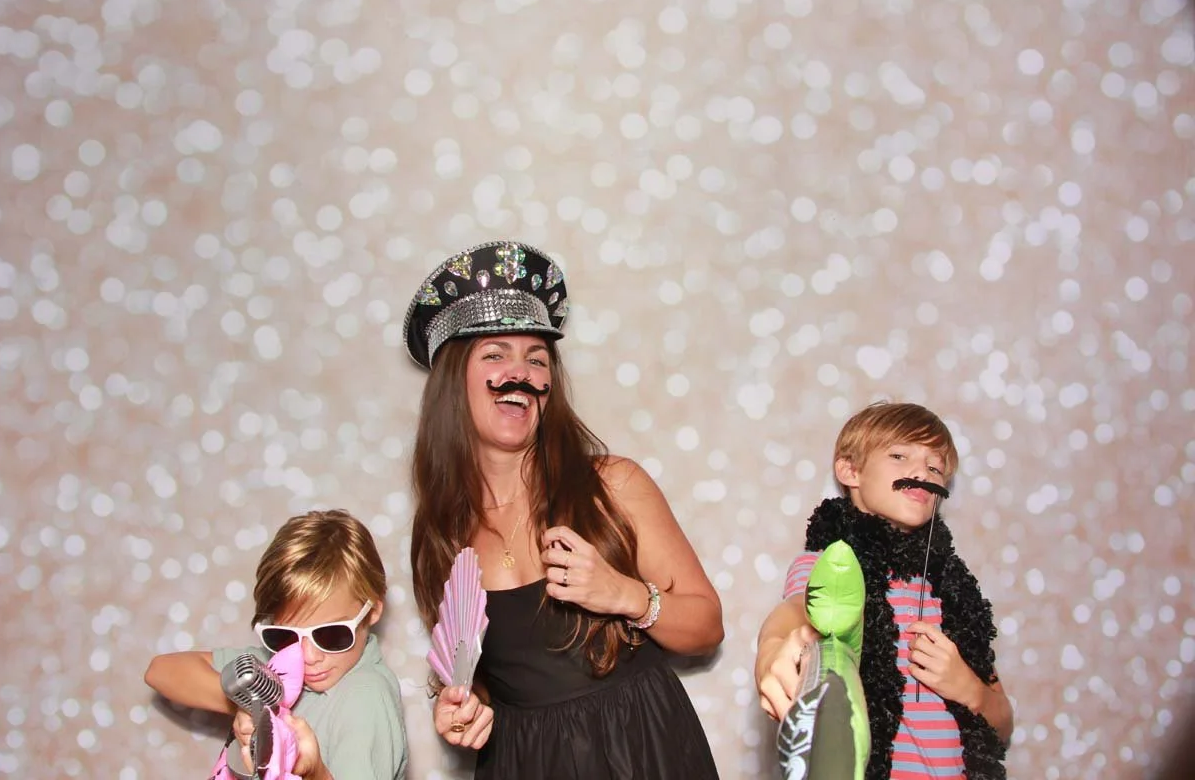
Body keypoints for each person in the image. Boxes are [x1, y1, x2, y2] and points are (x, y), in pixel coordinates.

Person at [403, 240, 723, 779]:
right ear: (453, 381)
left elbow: (707, 625)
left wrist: (624, 594)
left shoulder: (613, 485)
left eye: (536, 357)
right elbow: (472, 668)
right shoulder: (439, 530)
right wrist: (460, 705)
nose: (520, 372)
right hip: (521, 761)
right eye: (495, 354)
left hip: (641, 748)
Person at [755, 402, 1013, 779]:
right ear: (850, 470)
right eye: (898, 455)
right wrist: (773, 649)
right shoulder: (834, 563)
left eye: (934, 466)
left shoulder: (954, 593)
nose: (920, 472)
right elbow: (797, 613)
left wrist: (968, 688)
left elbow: (1003, 721)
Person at [144, 509, 409, 780]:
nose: (308, 656)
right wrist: (251, 706)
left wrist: (314, 772)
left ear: (373, 611)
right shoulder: (280, 668)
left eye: (331, 634)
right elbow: (160, 671)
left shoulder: (365, 697)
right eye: (285, 636)